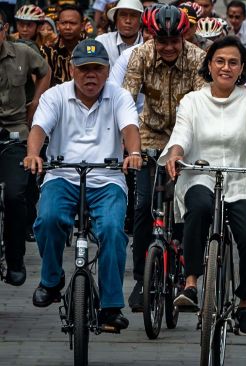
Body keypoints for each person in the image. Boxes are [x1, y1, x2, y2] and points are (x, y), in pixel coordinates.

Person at [25, 39, 142, 330]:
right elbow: (39, 127)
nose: (91, 75)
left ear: (107, 71)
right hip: (62, 176)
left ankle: (111, 306)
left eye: (98, 69)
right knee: (48, 219)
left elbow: (129, 127)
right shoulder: (55, 96)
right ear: (72, 70)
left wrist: (135, 153)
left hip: (107, 179)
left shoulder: (119, 96)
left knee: (114, 232)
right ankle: (51, 281)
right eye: (84, 69)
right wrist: (33, 154)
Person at [161, 36, 246, 334]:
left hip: (243, 177)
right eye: (220, 61)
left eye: (233, 62)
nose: (226, 67)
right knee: (197, 207)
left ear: (242, 69)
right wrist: (175, 155)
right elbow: (182, 133)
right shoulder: (192, 100)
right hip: (200, 174)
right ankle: (191, 283)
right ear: (209, 65)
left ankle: (244, 304)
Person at [122, 4, 206, 312]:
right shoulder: (140, 55)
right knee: (143, 205)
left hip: (188, 137)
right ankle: (141, 280)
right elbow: (126, 101)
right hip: (150, 135)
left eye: (175, 40)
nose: (169, 47)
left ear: (184, 36)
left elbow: (201, 105)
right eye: (162, 41)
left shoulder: (198, 58)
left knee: (185, 205)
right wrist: (128, 144)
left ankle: (185, 264)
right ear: (150, 36)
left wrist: (181, 148)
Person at [0, 8, 51, 286]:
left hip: (16, 135)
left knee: (15, 196)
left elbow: (45, 71)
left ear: (5, 28)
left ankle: (16, 259)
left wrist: (36, 103)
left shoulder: (22, 52)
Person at [40, 4, 84, 87]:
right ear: (57, 26)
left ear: (82, 26)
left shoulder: (90, 47)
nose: (67, 27)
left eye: (73, 23)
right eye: (63, 23)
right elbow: (44, 82)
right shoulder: (48, 50)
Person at [95, 0, 143, 66]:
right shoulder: (102, 42)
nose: (128, 21)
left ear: (140, 21)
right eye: (123, 15)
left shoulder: (147, 43)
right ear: (116, 20)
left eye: (133, 16)